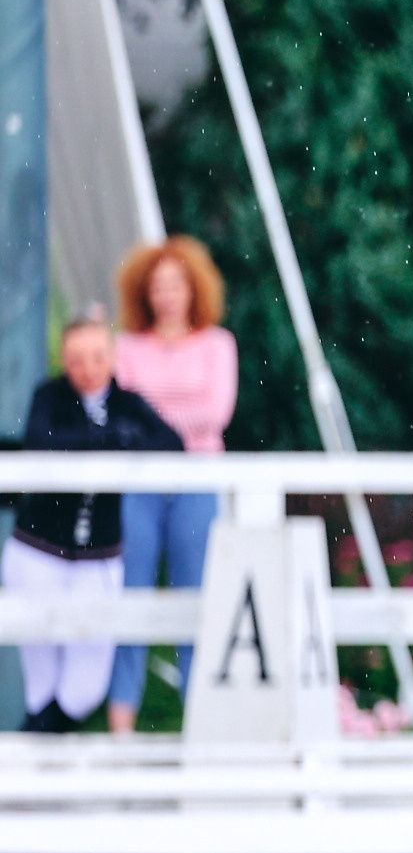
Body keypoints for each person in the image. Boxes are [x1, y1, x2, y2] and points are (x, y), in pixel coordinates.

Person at [7, 313, 183, 731]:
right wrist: (112, 439)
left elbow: (171, 444)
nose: (87, 369)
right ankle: (44, 782)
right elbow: (41, 441)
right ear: (65, 361)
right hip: (39, 549)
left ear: (112, 356)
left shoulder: (128, 402)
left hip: (99, 553)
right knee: (41, 680)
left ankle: (29, 755)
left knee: (85, 686)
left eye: (96, 357)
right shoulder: (50, 396)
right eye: (77, 359)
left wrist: (122, 436)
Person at [105, 237, 237, 734]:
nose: (166, 296)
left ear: (192, 289)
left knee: (197, 598)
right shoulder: (127, 347)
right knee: (130, 598)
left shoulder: (217, 345)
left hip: (198, 483)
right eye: (156, 286)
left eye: (175, 285)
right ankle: (122, 727)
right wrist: (178, 421)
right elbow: (123, 417)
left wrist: (153, 417)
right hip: (138, 485)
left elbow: (217, 414)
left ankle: (198, 722)